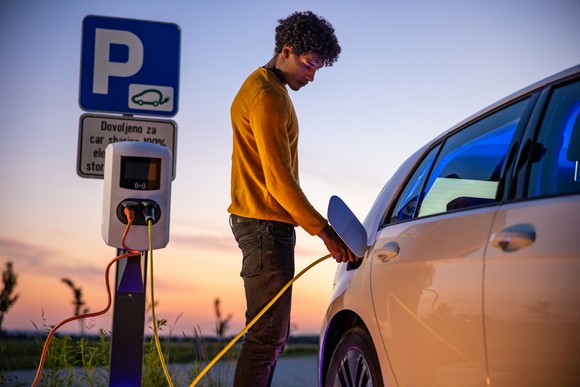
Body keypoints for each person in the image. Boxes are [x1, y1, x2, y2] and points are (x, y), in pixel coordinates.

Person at [227, 10, 358, 386]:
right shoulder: (267, 96)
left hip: (263, 224)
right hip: (265, 227)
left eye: (319, 67)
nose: (313, 76)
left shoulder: (263, 88)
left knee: (267, 337)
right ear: (287, 50)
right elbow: (280, 183)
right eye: (309, 64)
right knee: (267, 337)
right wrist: (326, 232)